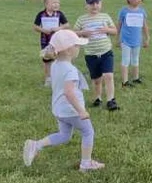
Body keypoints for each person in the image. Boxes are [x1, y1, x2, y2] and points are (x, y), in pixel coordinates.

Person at [23, 29, 105, 172]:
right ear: (68, 50)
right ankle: (86, 163)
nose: (79, 48)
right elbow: (69, 93)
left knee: (64, 135)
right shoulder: (70, 70)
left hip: (59, 109)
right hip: (71, 110)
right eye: (77, 45)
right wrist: (81, 110)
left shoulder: (55, 65)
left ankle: (37, 145)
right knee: (88, 132)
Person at [74, 0, 119, 111]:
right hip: (91, 54)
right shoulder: (82, 19)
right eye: (91, 3)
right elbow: (73, 33)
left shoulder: (105, 17)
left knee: (108, 76)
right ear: (86, 5)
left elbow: (115, 31)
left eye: (97, 3)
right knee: (97, 80)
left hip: (106, 52)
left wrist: (107, 30)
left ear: (101, 3)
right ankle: (97, 98)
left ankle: (111, 100)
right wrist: (82, 32)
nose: (94, 6)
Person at [33, 0, 69, 87]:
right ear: (46, 4)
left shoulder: (59, 14)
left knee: (58, 58)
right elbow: (35, 26)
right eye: (53, 2)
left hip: (57, 41)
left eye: (57, 2)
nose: (56, 4)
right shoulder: (41, 14)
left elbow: (67, 25)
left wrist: (58, 28)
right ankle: (48, 78)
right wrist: (43, 30)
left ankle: (59, 77)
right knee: (47, 59)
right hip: (45, 41)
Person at [118, 0, 150, 87]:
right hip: (125, 40)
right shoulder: (124, 11)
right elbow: (118, 25)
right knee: (125, 60)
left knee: (135, 59)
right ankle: (125, 81)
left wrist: (147, 38)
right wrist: (117, 39)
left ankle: (135, 78)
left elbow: (145, 26)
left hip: (137, 40)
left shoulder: (142, 11)